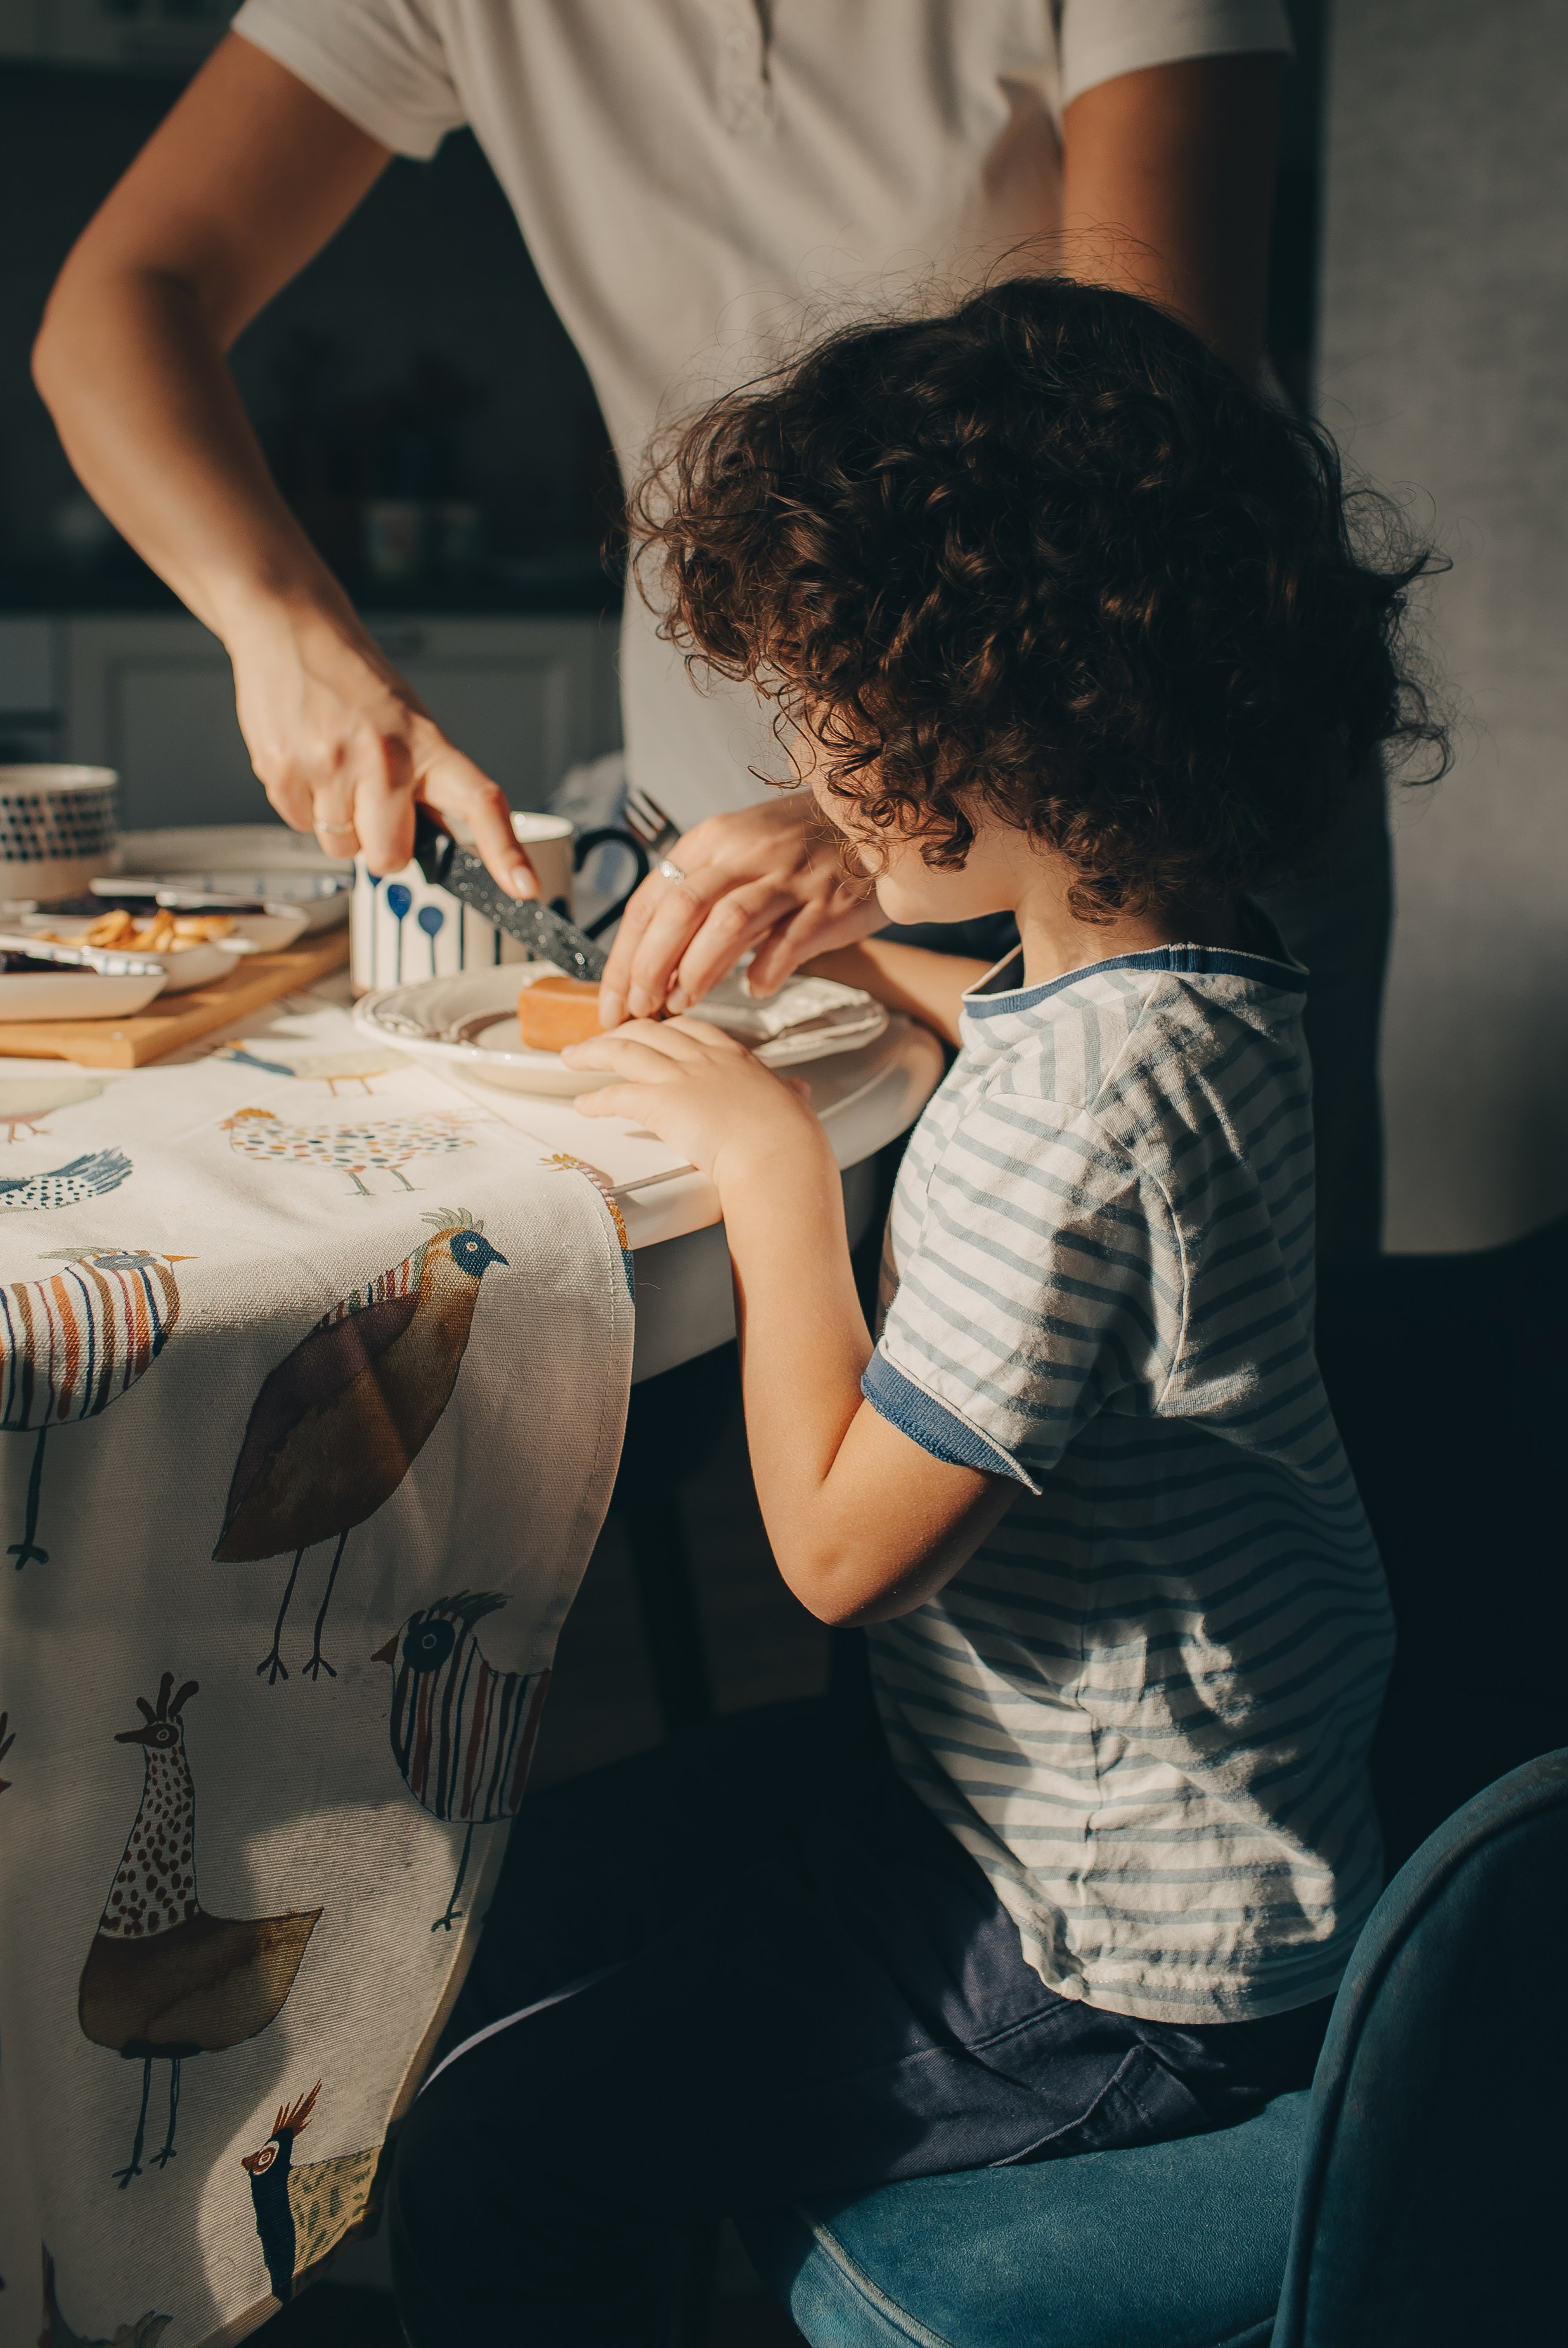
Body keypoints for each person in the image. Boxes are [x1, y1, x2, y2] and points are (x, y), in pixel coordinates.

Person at [386, 274, 1439, 2344]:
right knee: (521, 1893)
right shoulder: (1205, 969)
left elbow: (843, 1552)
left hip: (1108, 1953)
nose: (797, 756)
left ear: (975, 724)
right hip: (1111, 1811)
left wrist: (777, 1164)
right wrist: (875, 969)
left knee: (507, 2144)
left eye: (818, 714)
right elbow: (1066, 1056)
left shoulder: (1069, 1122)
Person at [28, 0, 1355, 1203]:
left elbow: (1144, 427)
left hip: (1121, 794)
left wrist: (883, 790)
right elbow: (118, 303)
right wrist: (285, 637)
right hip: (773, 881)